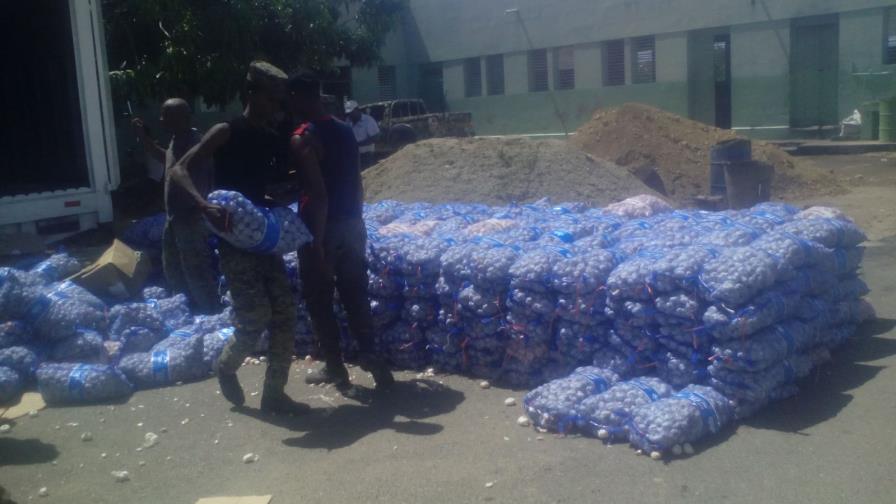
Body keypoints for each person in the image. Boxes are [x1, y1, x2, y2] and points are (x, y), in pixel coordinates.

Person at [169, 61, 307, 414]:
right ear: (251, 93)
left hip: (265, 237)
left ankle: (274, 393)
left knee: (286, 314)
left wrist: (295, 191)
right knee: (255, 316)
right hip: (234, 240)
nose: (276, 107)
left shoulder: (272, 137)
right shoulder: (226, 130)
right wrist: (203, 205)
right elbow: (179, 168)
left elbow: (273, 187)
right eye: (272, 99)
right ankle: (226, 366)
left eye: (279, 101)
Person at [287, 75, 394, 393]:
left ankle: (335, 368)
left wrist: (317, 242)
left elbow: (318, 196)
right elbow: (358, 182)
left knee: (319, 298)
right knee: (355, 294)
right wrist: (356, 220)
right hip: (352, 224)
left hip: (322, 228)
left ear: (297, 97)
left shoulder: (303, 137)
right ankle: (372, 358)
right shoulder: (346, 130)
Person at [134, 99, 220, 314]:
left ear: (183, 117)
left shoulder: (195, 143)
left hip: (191, 216)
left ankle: (210, 313)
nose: (161, 119)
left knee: (196, 270)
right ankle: (184, 311)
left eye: (166, 115)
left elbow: (185, 172)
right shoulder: (177, 139)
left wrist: (200, 203)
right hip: (175, 217)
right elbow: (168, 161)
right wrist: (145, 140)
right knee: (173, 268)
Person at [344, 100, 380, 169]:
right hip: (353, 155)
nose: (350, 115)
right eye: (348, 113)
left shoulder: (368, 120)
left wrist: (358, 144)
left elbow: (376, 137)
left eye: (351, 113)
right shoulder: (348, 121)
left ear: (357, 109)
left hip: (367, 154)